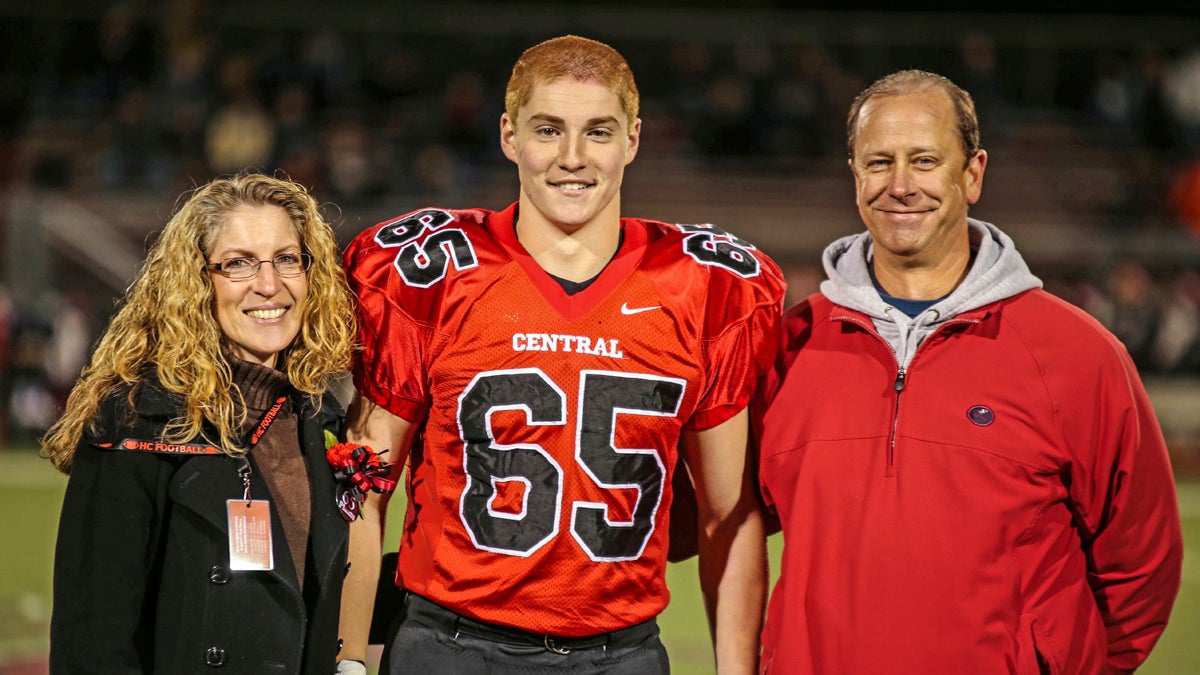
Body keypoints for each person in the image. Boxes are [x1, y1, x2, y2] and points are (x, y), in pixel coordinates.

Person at [334, 35, 784, 675]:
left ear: (632, 139)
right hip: (448, 645)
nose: (572, 158)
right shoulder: (434, 272)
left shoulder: (703, 285)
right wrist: (348, 660)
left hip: (620, 651)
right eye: (548, 130)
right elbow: (365, 489)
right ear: (509, 136)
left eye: (597, 132)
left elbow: (725, 517)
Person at [756, 69, 1184, 674]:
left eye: (925, 160)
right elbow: (724, 523)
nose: (900, 185)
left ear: (973, 173)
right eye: (879, 162)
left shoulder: (1077, 354)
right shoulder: (786, 346)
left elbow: (1141, 562)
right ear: (855, 175)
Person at [43, 172, 359, 674]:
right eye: (238, 264)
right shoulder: (137, 419)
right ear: (196, 281)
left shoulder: (320, 417)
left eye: (286, 259)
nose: (269, 284)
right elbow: (93, 637)